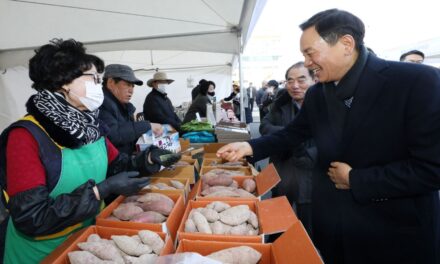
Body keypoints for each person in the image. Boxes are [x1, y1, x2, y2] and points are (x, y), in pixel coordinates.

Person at [217, 9, 440, 264]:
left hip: (394, 235)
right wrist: (248, 146)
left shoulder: (418, 82)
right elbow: (293, 133)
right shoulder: (318, 94)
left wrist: (357, 179)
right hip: (336, 232)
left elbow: (432, 168)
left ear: (346, 44)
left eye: (310, 53)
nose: (308, 62)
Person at [0, 39, 180, 264]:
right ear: (64, 82)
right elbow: (32, 216)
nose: (98, 85)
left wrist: (148, 159)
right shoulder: (25, 136)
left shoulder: (90, 126)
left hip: (91, 243)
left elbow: (116, 164)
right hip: (43, 253)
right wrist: (99, 191)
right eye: (93, 79)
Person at [259, 62, 316, 235]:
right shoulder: (281, 104)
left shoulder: (324, 105)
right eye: (290, 81)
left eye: (301, 80)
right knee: (277, 222)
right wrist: (291, 135)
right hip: (282, 170)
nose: (295, 85)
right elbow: (264, 127)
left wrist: (308, 153)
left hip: (310, 173)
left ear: (314, 80)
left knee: (308, 227)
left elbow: (331, 140)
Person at [99, 64, 163, 155]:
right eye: (127, 84)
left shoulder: (123, 105)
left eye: (133, 86)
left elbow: (128, 134)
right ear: (111, 83)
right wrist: (148, 126)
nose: (131, 90)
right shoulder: (102, 103)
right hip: (117, 166)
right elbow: (114, 135)